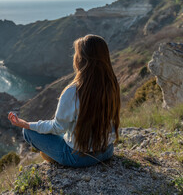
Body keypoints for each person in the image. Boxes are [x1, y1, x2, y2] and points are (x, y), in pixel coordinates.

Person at [8, 35, 120, 167]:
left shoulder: (73, 92)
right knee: (66, 133)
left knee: (28, 132)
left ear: (81, 60)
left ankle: (54, 158)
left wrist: (26, 124)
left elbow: (57, 127)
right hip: (107, 151)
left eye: (76, 54)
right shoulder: (112, 84)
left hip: (80, 159)